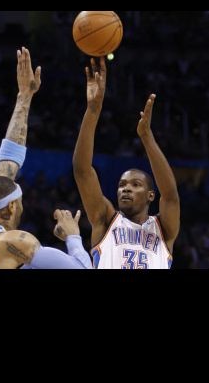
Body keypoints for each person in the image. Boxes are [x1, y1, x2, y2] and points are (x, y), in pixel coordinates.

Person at [0, 47, 91, 269]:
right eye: (20, 202)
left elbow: (9, 160)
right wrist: (73, 236)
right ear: (11, 207)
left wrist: (25, 96)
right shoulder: (15, 243)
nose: (22, 206)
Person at [72, 57, 181, 269]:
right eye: (122, 185)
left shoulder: (163, 229)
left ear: (151, 195)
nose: (126, 189)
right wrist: (92, 111)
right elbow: (82, 171)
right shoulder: (106, 220)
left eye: (135, 185)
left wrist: (147, 138)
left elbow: (170, 194)